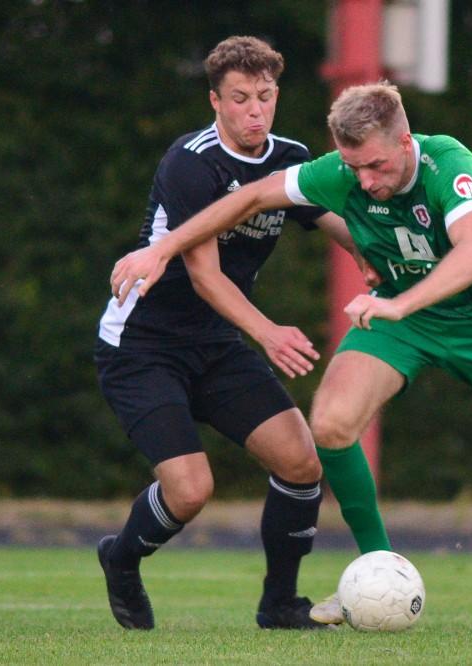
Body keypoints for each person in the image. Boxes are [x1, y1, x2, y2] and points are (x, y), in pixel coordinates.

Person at [110, 81, 472, 634]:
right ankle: (380, 568)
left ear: (404, 142)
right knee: (330, 424)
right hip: (402, 318)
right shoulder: (343, 173)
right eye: (354, 168)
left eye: (373, 166)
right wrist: (162, 247)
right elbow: (248, 198)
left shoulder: (450, 164)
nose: (364, 182)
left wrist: (402, 303)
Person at [95, 36, 362, 631]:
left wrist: (389, 265)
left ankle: (280, 605)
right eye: (240, 98)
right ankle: (120, 557)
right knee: (190, 492)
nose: (254, 111)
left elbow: (336, 223)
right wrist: (269, 334)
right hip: (143, 346)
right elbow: (207, 278)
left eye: (265, 97)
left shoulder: (289, 156)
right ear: (215, 100)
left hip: (214, 345)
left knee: (300, 463)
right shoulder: (190, 163)